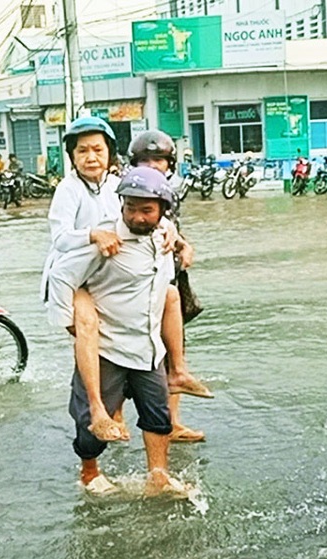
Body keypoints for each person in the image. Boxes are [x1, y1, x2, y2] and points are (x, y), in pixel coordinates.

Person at [40, 116, 210, 447]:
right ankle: (99, 410)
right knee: (90, 326)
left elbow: (145, 220)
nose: (91, 158)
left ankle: (177, 373)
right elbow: (60, 239)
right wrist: (94, 234)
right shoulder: (68, 189)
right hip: (74, 277)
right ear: (72, 156)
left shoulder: (118, 185)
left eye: (98, 150)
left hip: (110, 274)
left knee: (170, 298)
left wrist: (175, 237)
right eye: (82, 151)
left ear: (111, 153)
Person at [48, 166, 189, 496]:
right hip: (108, 348)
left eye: (146, 210)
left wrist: (181, 243)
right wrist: (72, 325)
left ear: (162, 211)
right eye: (130, 208)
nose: (137, 217)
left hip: (148, 347)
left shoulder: (163, 236)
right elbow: (60, 275)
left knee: (157, 415)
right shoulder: (106, 239)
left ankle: (158, 474)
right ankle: (89, 473)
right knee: (90, 423)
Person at [128, 129, 206, 443]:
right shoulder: (127, 193)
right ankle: (115, 419)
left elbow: (172, 228)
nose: (152, 166)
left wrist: (185, 246)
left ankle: (172, 423)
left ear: (169, 163)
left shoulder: (171, 193)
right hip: (138, 284)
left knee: (175, 352)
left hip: (170, 278)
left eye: (158, 160)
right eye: (145, 160)